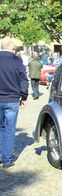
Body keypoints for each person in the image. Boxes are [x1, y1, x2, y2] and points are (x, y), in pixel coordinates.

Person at [0, 40, 29, 168]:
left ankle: (1, 156)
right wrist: (24, 97)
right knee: (9, 130)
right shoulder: (17, 62)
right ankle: (7, 160)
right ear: (12, 49)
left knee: (1, 128)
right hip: (12, 100)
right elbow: (23, 81)